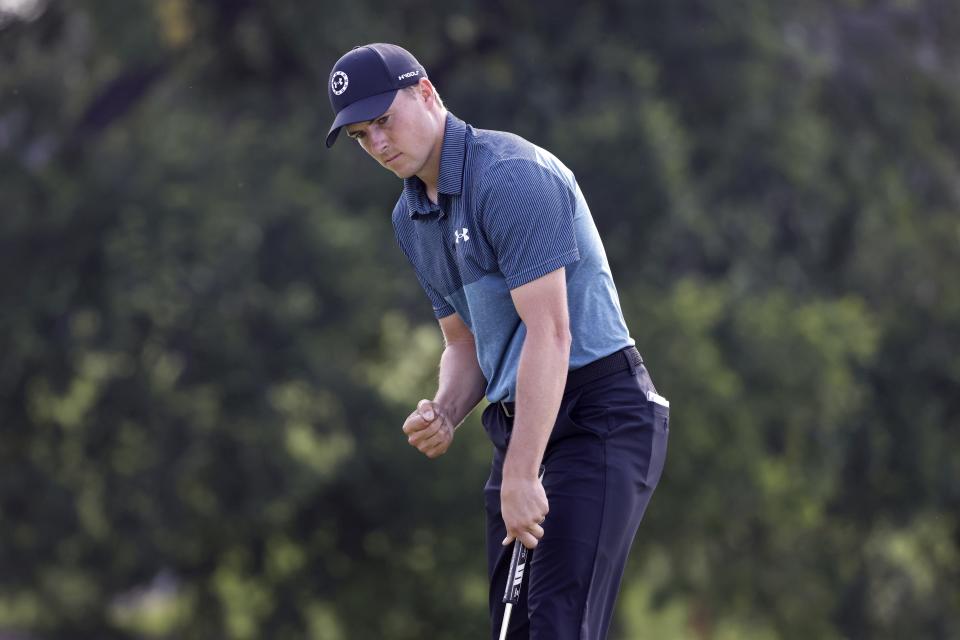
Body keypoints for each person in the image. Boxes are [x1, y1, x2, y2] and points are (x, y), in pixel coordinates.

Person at [325, 42, 670, 640]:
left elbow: (552, 332)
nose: (377, 144)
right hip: (522, 425)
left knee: (555, 625)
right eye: (360, 135)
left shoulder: (509, 176)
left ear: (427, 93)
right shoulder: (411, 219)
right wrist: (446, 409)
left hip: (598, 418)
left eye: (383, 120)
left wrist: (522, 472)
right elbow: (464, 346)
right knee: (513, 631)